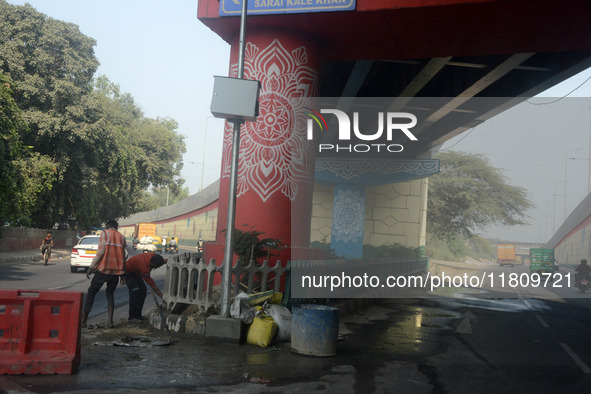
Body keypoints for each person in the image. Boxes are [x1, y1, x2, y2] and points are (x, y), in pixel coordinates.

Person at [81, 219, 127, 328]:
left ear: (107, 226)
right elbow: (124, 257)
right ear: (117, 227)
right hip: (115, 272)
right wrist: (123, 273)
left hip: (103, 270)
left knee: (91, 292)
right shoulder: (122, 237)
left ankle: (84, 321)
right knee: (110, 294)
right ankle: (110, 322)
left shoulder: (105, 234)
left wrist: (91, 267)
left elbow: (100, 252)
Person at [124, 252, 167, 323]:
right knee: (135, 291)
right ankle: (132, 317)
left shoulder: (153, 255)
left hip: (136, 271)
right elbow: (154, 287)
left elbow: (163, 261)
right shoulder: (144, 269)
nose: (157, 268)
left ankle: (138, 314)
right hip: (128, 271)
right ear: (153, 264)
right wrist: (164, 298)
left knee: (143, 290)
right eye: (157, 267)